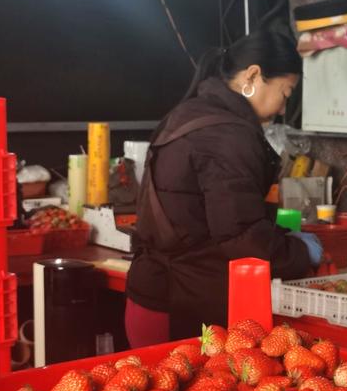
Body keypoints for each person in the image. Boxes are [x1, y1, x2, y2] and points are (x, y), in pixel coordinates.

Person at [125, 31, 321, 346]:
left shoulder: (192, 112)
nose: (284, 107)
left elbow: (210, 213)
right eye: (286, 92)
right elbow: (241, 238)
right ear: (254, 75)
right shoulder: (227, 135)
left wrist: (278, 229)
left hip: (158, 293)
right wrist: (299, 252)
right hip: (181, 304)